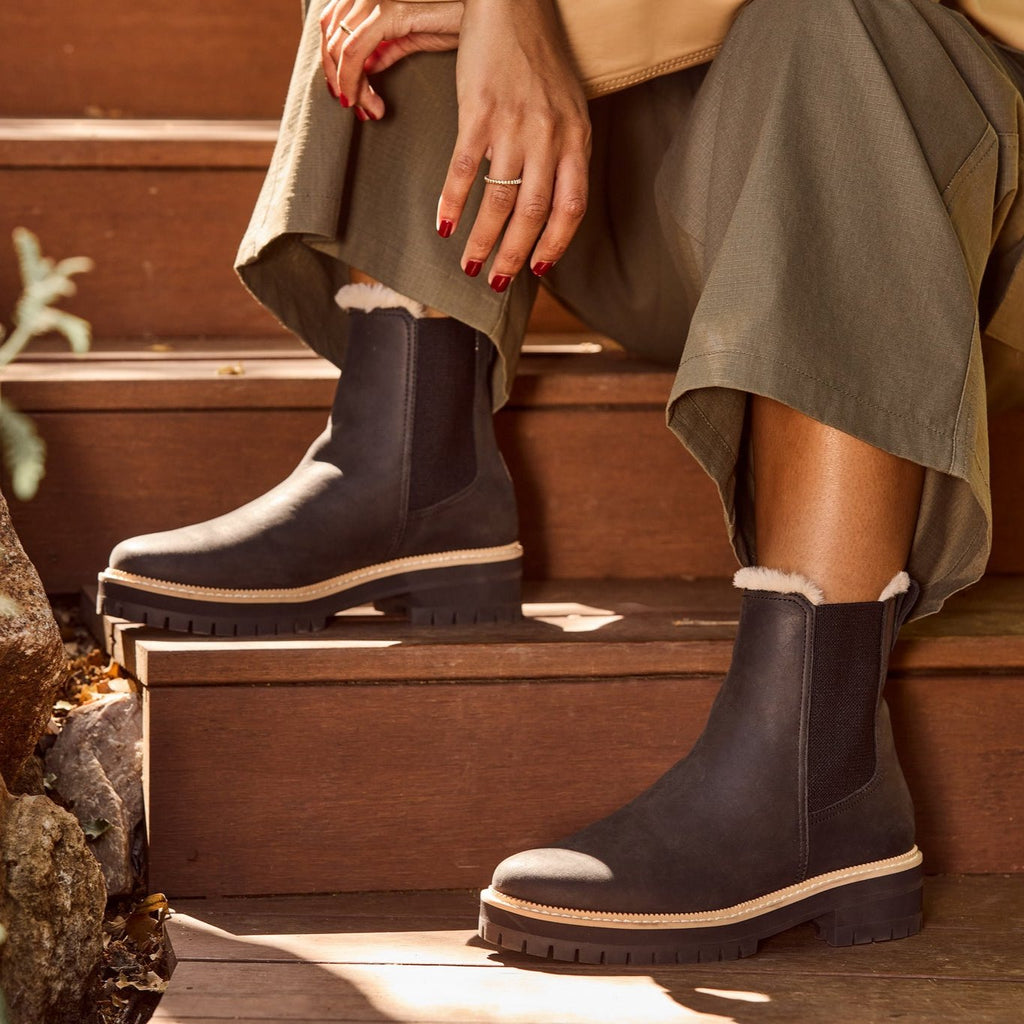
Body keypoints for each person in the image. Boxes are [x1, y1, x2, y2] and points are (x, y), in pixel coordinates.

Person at [97, 0, 1024, 964]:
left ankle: (816, 765)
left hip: (951, 220)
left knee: (836, 21)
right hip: (692, 209)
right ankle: (413, 465)